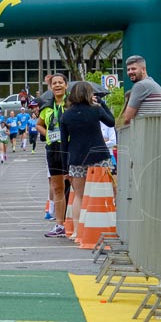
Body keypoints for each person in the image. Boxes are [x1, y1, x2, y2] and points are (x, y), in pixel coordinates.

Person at [59, 82, 115, 237]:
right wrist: (101, 103)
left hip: (76, 158)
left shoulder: (66, 115)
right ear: (89, 94)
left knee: (78, 194)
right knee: (103, 193)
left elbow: (64, 143)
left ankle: (77, 231)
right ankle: (104, 227)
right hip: (99, 156)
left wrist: (65, 168)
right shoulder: (95, 110)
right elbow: (111, 121)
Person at [36, 74, 69, 237]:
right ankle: (59, 224)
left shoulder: (71, 104)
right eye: (54, 83)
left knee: (73, 187)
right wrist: (48, 134)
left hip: (69, 148)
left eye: (60, 83)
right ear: (50, 87)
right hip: (53, 150)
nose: (57, 85)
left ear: (66, 85)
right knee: (57, 187)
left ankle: (74, 222)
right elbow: (39, 125)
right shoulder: (47, 107)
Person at [120, 55, 161, 125]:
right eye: (128, 69)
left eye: (133, 69)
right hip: (158, 130)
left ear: (143, 70)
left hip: (145, 132)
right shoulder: (155, 84)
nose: (130, 72)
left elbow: (127, 118)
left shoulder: (140, 85)